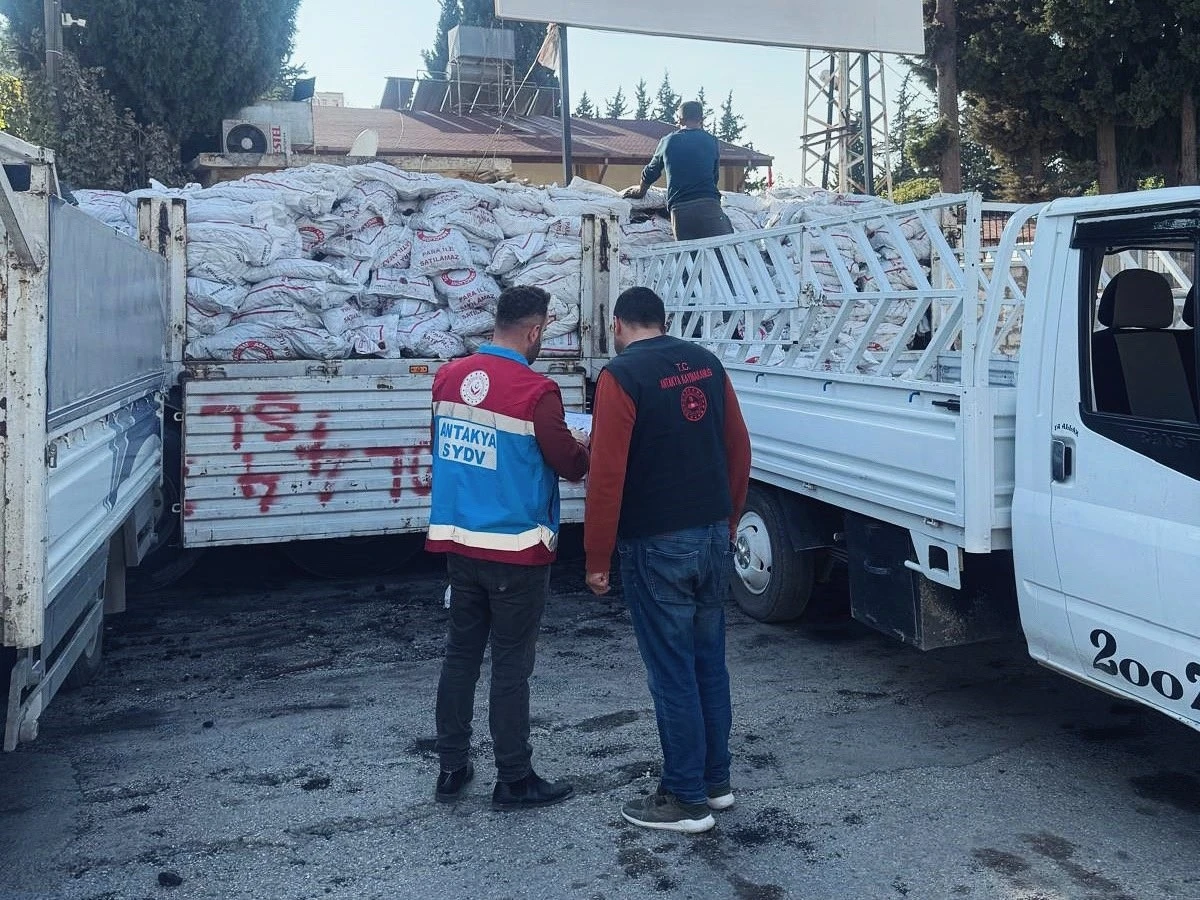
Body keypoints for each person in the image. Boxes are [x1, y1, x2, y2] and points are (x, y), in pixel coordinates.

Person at [584, 286, 751, 834]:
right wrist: (727, 521)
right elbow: (738, 447)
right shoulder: (705, 363)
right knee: (708, 663)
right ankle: (715, 782)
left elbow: (606, 472)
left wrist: (596, 556)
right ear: (664, 320)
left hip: (656, 541)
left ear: (617, 325)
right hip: (709, 533)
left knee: (672, 671)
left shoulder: (621, 376)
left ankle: (684, 798)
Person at [427, 285, 590, 810]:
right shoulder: (536, 390)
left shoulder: (448, 378)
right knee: (511, 667)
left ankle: (451, 769)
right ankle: (514, 779)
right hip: (516, 551)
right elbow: (568, 463)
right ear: (536, 329)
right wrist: (585, 445)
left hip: (460, 544)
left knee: (459, 658)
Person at [622, 100, 736, 242]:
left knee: (690, 259)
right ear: (702, 119)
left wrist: (640, 192)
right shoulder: (711, 141)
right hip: (709, 205)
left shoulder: (668, 141)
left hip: (681, 209)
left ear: (680, 119)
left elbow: (651, 172)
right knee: (723, 255)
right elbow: (714, 177)